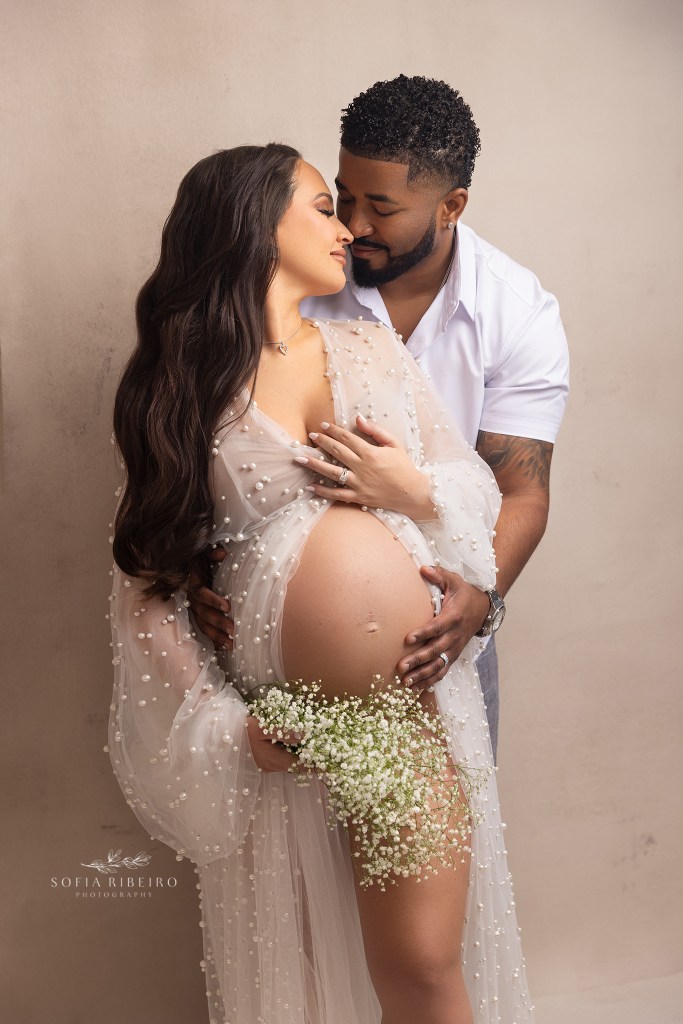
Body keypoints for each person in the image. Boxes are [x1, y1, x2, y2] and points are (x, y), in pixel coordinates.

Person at [108, 143, 534, 1024]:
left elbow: (471, 487)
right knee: (298, 981)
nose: (344, 230)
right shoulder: (182, 382)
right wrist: (232, 731)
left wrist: (411, 492)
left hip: (400, 714)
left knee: (423, 966)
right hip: (284, 724)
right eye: (320, 207)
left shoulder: (367, 348)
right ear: (256, 224)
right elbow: (143, 586)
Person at [189, 76, 569, 762]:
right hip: (271, 645)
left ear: (450, 206)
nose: (354, 225)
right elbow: (205, 444)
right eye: (343, 197)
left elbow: (521, 490)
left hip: (438, 637)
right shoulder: (299, 272)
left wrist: (481, 602)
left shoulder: (516, 313)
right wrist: (195, 570)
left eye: (381, 207)